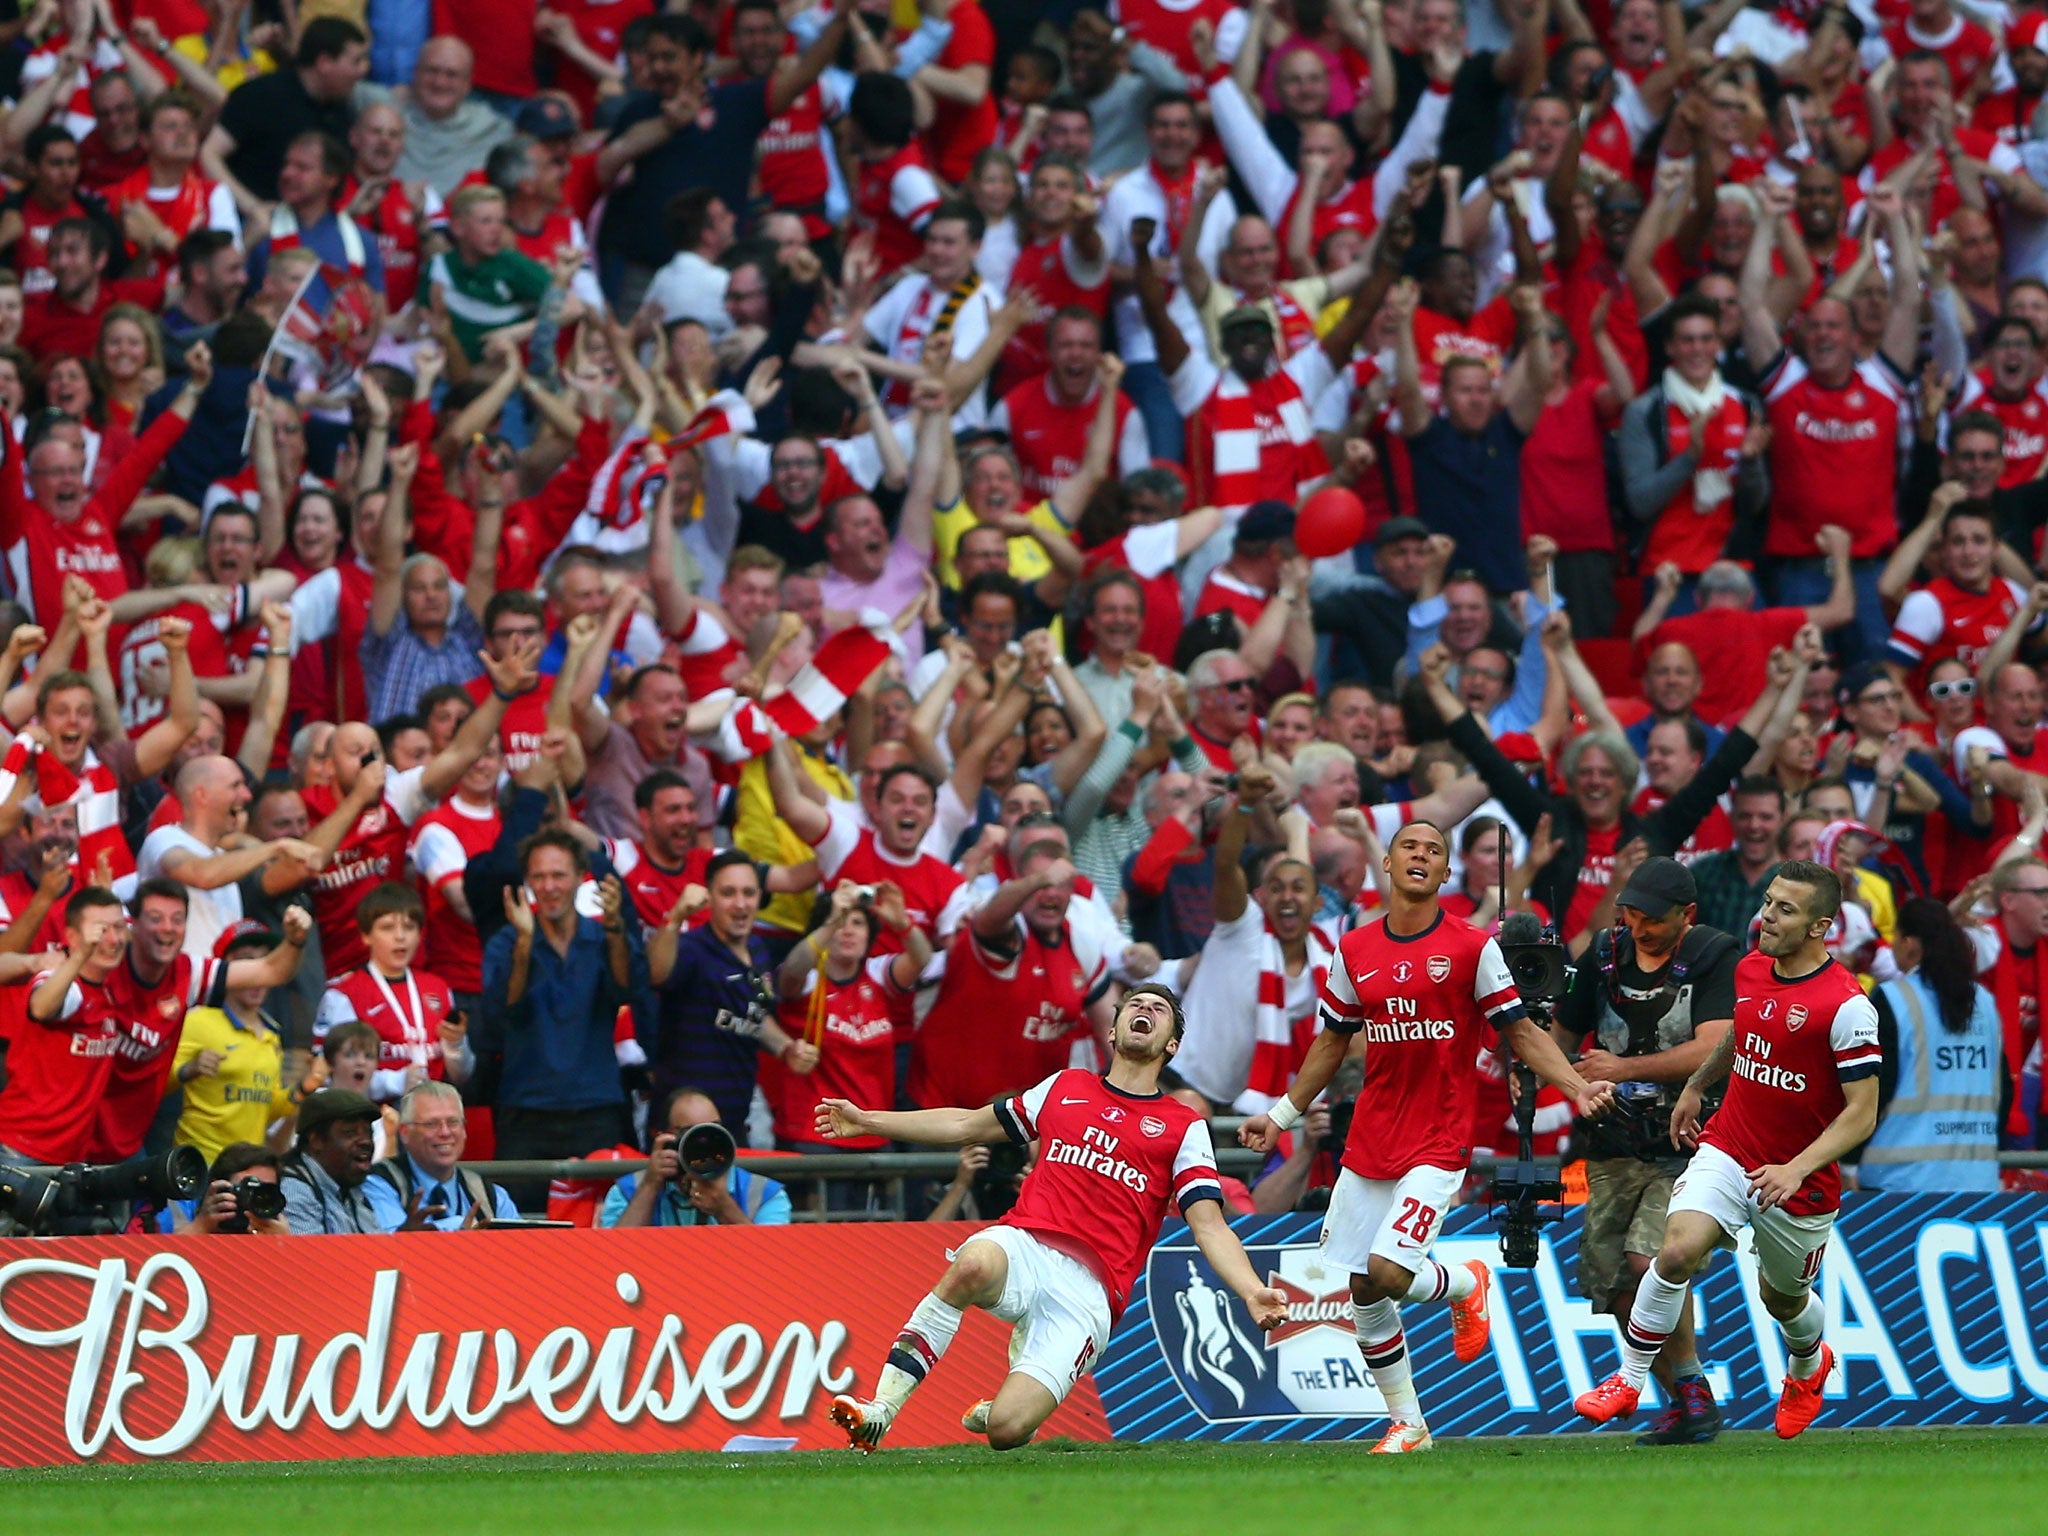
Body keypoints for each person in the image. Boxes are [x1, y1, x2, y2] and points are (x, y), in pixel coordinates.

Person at [1239, 821, 1613, 1453]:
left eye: (1434, 852)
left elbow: (1519, 1032)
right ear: (1387, 862)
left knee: (1386, 1271)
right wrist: (1278, 1116)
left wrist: (1573, 1085)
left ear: (1445, 876)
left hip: (1439, 1136)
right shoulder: (1353, 949)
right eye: (1410, 846)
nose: (1421, 856)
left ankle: (1467, 1282)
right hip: (1372, 1134)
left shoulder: (1472, 947)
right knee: (1360, 1289)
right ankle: (1409, 1425)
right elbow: (1331, 1043)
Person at [817, 983, 1288, 1452]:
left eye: (1159, 1009)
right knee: (974, 1263)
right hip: (1027, 1243)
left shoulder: (1183, 1125)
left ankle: (1016, 1411)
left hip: (1091, 1291)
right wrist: (868, 1120)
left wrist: (1250, 1290)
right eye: (1135, 1005)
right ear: (1114, 1028)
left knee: (1005, 1431)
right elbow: (965, 1124)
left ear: (1171, 1044)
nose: (1144, 1009)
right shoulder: (1065, 1087)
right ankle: (881, 1410)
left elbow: (1207, 1223)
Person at [1575, 862, 1881, 1439]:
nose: (1766, 916)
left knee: (1783, 1300)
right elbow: (1743, 1032)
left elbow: (1861, 1112)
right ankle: (1630, 1378)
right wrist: (1695, 1086)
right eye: (1768, 902)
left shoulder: (1846, 1006)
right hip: (1729, 1144)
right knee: (1673, 1254)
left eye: (1785, 910)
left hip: (1795, 1176)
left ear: (1819, 927)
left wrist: (1797, 1166)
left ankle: (1809, 1365)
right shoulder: (1751, 968)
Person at [1553, 857, 1739, 1446]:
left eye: (1653, 920)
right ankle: (1690, 1398)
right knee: (1612, 1284)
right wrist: (1559, 1079)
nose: (1639, 930)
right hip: (1609, 1144)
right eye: (1631, 916)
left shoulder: (1715, 957)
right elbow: (1558, 1035)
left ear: (1687, 916)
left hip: (1689, 1144)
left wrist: (1620, 1067)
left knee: (1650, 1261)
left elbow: (1717, 1048)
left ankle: (1687, 1398)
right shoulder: (1603, 957)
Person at [482, 829, 651, 1204]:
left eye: (558, 875)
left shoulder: (604, 934)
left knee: (602, 1226)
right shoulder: (507, 941)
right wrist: (525, 944)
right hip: (525, 1111)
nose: (549, 886)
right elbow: (500, 1013)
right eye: (539, 877)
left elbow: (630, 990)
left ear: (579, 877)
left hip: (596, 1107)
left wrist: (615, 926)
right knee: (517, 1229)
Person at [647, 849, 817, 1133]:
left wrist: (786, 1048)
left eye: (749, 893)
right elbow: (656, 973)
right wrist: (675, 917)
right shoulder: (691, 948)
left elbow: (754, 1015)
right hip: (683, 1128)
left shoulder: (758, 949)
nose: (740, 904)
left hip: (735, 1121)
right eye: (728, 893)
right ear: (709, 897)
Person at [1861, 898, 2003, 1191]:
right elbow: (2003, 1090)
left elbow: (1872, 1091)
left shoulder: (1892, 999)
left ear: (1910, 943)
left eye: (1896, 938)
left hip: (1899, 1180)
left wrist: (1849, 1160)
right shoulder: (1984, 1001)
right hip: (1978, 1178)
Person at [317, 880, 472, 1104]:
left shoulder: (437, 987)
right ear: (366, 936)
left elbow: (462, 1075)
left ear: (420, 934)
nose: (400, 937)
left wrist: (456, 1046)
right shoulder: (344, 994)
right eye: (388, 927)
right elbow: (332, 1078)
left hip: (435, 1110)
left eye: (409, 927)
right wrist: (397, 1081)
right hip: (377, 1116)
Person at [170, 920, 302, 1165]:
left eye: (265, 961)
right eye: (247, 962)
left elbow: (266, 1107)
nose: (258, 973)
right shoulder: (198, 1021)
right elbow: (155, 1083)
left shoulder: (272, 1034)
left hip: (247, 1170)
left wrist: (305, 1088)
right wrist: (190, 1068)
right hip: (199, 1167)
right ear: (225, 970)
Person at [600, 1084, 793, 1228]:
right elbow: (614, 1257)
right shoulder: (628, 1191)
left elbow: (771, 1263)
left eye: (713, 1132)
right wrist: (650, 1186)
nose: (704, 1145)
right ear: (664, 1138)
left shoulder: (764, 1194)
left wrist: (724, 1207)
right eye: (690, 1134)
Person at [363, 1080, 519, 1230]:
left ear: (464, 1129)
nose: (445, 1132)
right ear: (404, 1133)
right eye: (431, 1124)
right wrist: (459, 1230)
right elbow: (387, 1244)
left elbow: (521, 1248)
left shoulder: (491, 1196)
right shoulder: (378, 1183)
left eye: (453, 1122)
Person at [279, 1087, 384, 1234]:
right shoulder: (294, 1191)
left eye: (369, 1132)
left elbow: (375, 1247)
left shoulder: (349, 1186)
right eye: (350, 1132)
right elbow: (310, 1255)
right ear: (316, 1140)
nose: (366, 1141)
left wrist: (406, 1236)